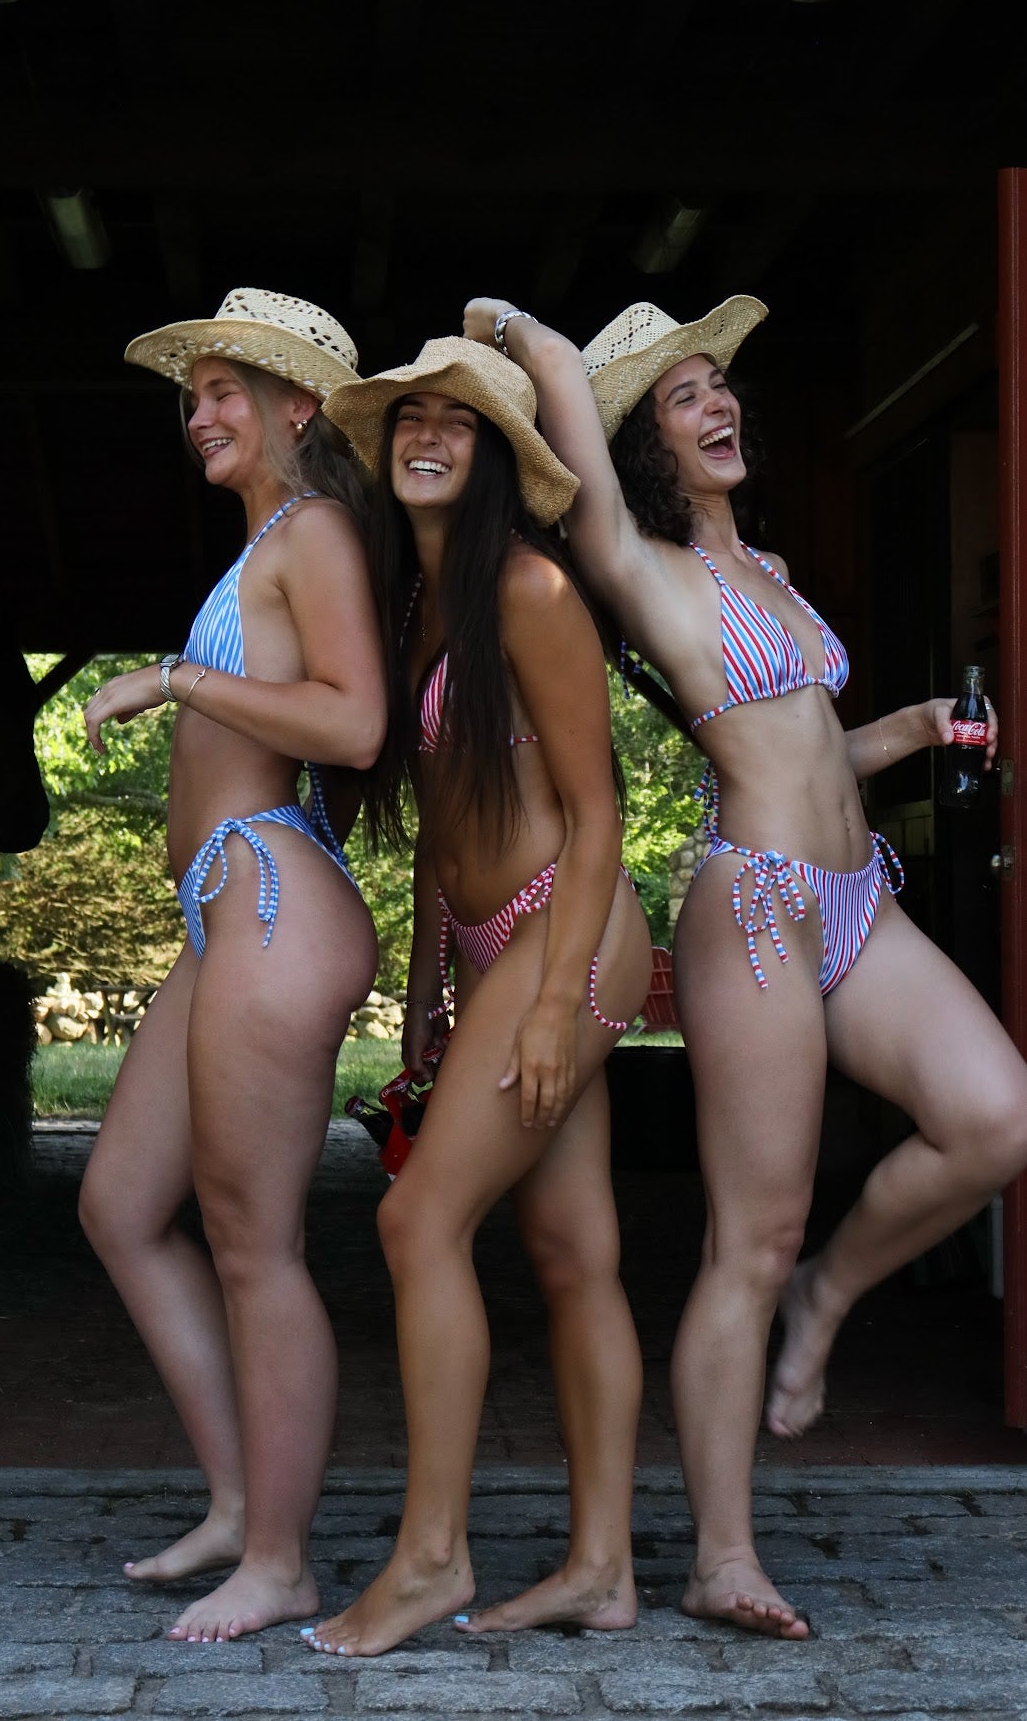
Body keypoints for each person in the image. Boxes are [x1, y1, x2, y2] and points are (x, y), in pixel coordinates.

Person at [466, 293, 1027, 1640]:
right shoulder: (632, 561)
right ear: (640, 444)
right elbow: (555, 375)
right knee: (751, 1241)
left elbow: (812, 745)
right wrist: (504, 324)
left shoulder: (769, 566)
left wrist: (909, 726)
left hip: (858, 900)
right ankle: (724, 1555)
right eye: (683, 396)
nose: (720, 408)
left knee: (998, 1119)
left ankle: (835, 1296)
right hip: (759, 906)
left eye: (723, 387)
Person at [301, 336, 652, 1656]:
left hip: (574, 925)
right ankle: (603, 1569)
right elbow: (447, 830)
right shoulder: (423, 603)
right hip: (490, 947)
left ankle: (434, 1557)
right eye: (409, 422)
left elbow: (599, 812)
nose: (425, 436)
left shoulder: (532, 588)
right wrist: (426, 994)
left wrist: (555, 1001)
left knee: (415, 1223)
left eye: (456, 421)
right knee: (573, 1254)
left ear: (499, 453)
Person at [79, 289, 387, 1642]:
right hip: (225, 908)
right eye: (189, 396)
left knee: (255, 1245)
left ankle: (281, 1557)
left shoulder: (313, 531)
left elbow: (357, 721)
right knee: (119, 1202)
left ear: (294, 407)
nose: (195, 414)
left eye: (219, 391)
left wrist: (175, 683)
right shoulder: (259, 541)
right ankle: (232, 1500)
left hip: (274, 896)